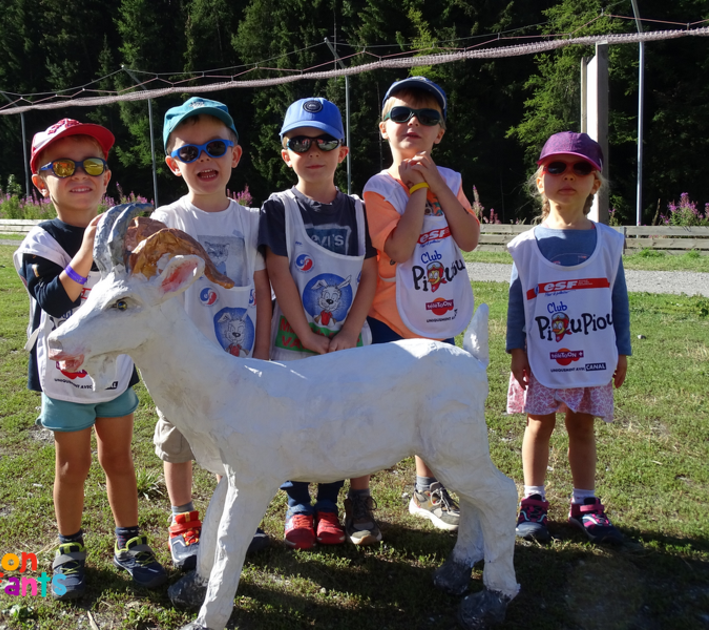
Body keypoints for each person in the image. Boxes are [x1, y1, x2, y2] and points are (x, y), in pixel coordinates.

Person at [13, 119, 166, 599]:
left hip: (116, 375)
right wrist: (85, 252)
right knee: (71, 467)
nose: (80, 174)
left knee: (119, 460)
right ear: (41, 182)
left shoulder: (125, 238)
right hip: (62, 379)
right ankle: (70, 548)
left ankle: (130, 541)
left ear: (106, 177)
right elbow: (53, 301)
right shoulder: (38, 244)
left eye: (92, 164)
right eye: (63, 166)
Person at [153, 96, 272, 571]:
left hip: (239, 357)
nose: (204, 160)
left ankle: (242, 513)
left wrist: (262, 351)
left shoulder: (253, 221)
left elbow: (263, 289)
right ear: (172, 163)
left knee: (238, 438)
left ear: (235, 155)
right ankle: (183, 518)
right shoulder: (166, 222)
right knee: (178, 439)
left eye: (215, 148)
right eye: (189, 152)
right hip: (182, 364)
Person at [259, 97, 381, 549]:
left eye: (325, 140)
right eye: (300, 141)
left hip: (345, 342)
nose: (313, 150)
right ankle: (297, 503)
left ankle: (328, 505)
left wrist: (349, 330)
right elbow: (278, 271)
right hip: (294, 339)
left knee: (339, 420)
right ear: (285, 152)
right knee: (292, 419)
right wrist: (306, 332)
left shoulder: (358, 210)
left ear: (342, 152)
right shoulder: (278, 208)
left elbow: (369, 272)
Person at [363, 77, 480, 532]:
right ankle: (361, 497)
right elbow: (399, 249)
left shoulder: (450, 180)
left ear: (440, 133)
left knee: (433, 406)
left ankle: (426, 488)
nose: (413, 122)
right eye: (401, 114)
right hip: (389, 319)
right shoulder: (379, 187)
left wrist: (436, 186)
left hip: (436, 314)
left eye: (427, 117)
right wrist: (415, 190)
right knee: (377, 406)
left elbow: (469, 239)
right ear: (383, 128)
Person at [507, 131, 630, 545]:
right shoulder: (526, 246)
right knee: (538, 425)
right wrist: (516, 349)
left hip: (593, 356)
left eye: (582, 168)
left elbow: (618, 299)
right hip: (542, 357)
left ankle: (584, 504)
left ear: (595, 183)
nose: (568, 175)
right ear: (540, 180)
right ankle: (534, 500)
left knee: (582, 427)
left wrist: (623, 349)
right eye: (556, 167)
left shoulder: (609, 242)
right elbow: (515, 304)